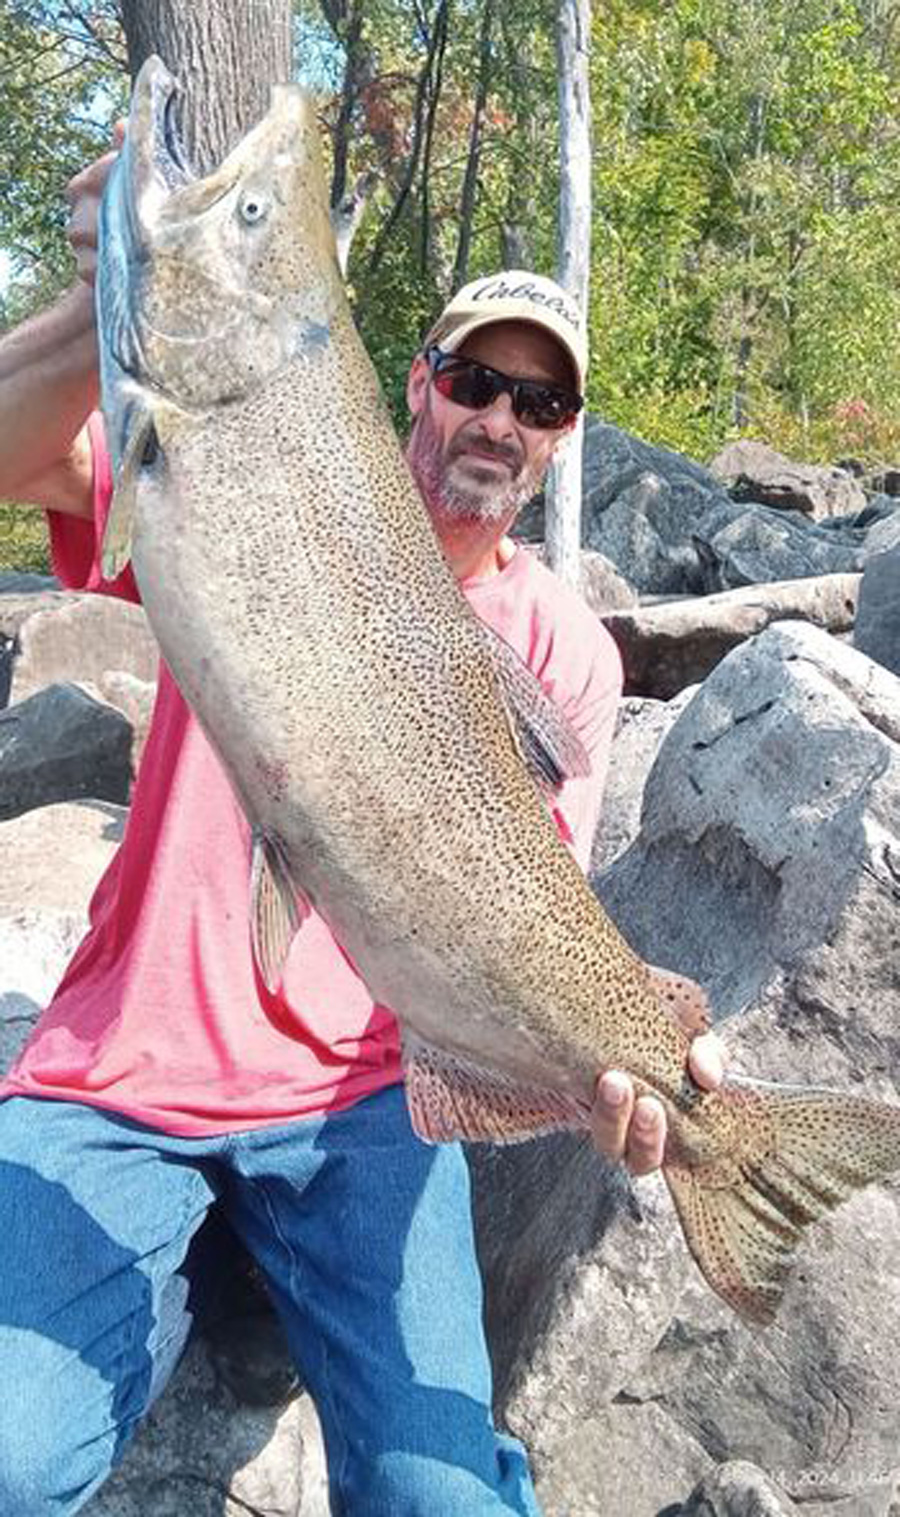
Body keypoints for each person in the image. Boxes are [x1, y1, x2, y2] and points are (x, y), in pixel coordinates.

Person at [0, 133, 725, 1517]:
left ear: (565, 436)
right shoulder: (245, 483)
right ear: (416, 383)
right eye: (474, 381)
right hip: (124, 1073)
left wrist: (629, 1054)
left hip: (364, 1110)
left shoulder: (567, 652)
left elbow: (528, 924)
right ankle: (186, 1281)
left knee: (440, 1502)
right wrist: (107, 301)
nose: (500, 420)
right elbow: (15, 450)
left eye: (540, 401)